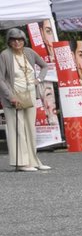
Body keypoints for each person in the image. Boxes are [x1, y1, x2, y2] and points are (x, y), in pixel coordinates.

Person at [2, 28, 50, 171]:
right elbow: (0, 79)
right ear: (9, 41)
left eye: (20, 39)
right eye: (14, 39)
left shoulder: (29, 52)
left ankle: (34, 160)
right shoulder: (4, 55)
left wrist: (39, 79)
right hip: (13, 96)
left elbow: (44, 66)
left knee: (30, 128)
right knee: (17, 129)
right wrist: (11, 96)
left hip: (29, 94)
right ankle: (21, 163)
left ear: (24, 41)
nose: (17, 42)